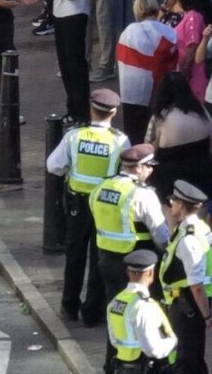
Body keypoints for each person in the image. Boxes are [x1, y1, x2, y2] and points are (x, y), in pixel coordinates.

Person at [46, 88, 128, 326]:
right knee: (99, 256)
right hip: (105, 206)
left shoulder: (75, 136)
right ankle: (92, 312)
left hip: (77, 204)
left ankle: (69, 306)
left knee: (75, 255)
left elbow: (53, 166)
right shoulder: (120, 140)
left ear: (92, 110)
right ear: (114, 112)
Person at [89, 143, 169, 311]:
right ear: (138, 167)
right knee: (140, 311)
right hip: (137, 262)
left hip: (106, 259)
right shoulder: (142, 194)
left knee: (115, 309)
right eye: (149, 166)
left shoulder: (101, 187)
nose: (151, 170)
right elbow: (161, 237)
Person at [159, 180, 212, 374]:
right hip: (190, 304)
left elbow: (197, 285)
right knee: (193, 360)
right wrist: (211, 302)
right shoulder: (200, 228)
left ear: (182, 206)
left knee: (185, 362)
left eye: (174, 201)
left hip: (186, 306)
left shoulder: (189, 239)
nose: (171, 205)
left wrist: (207, 314)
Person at [147, 72, 212, 202]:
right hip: (203, 178)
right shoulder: (201, 111)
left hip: (171, 183)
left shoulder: (160, 117)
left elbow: (148, 150)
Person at [117, 0, 178, 144]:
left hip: (133, 93)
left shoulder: (130, 31)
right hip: (161, 89)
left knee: (134, 136)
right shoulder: (169, 32)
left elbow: (122, 59)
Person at [106, 249, 178, 370]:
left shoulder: (115, 302)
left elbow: (114, 341)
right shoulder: (143, 306)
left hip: (123, 368)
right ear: (151, 273)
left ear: (128, 272)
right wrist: (173, 342)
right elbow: (153, 350)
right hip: (145, 366)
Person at [170, 0, 212, 101]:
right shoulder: (190, 15)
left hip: (193, 78)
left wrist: (182, 75)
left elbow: (192, 48)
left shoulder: (194, 17)